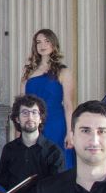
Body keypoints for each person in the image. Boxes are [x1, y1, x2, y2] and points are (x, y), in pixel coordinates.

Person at [20, 29, 76, 161]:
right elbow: (21, 104)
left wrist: (70, 132)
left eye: (46, 41)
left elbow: (68, 105)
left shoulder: (63, 71)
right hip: (32, 122)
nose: (42, 45)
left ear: (53, 44)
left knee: (58, 161)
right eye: (38, 42)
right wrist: (19, 131)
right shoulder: (28, 72)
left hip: (56, 123)